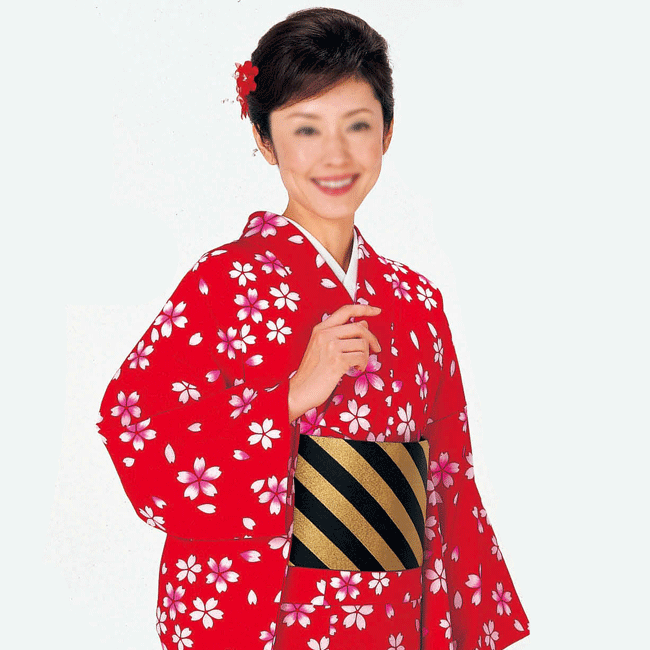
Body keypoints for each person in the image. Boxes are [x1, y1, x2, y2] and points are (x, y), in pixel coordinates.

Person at [98, 7, 530, 650]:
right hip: (273, 614)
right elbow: (135, 427)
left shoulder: (417, 301)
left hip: (393, 615)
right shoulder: (223, 283)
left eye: (358, 125)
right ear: (265, 139)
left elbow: (447, 475)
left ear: (387, 133)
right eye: (306, 129)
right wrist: (294, 394)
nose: (336, 155)